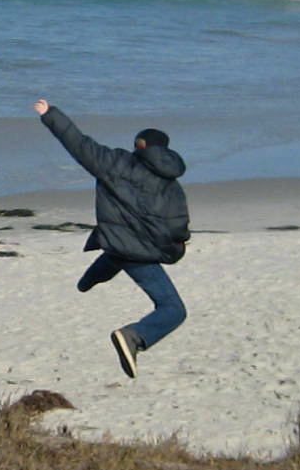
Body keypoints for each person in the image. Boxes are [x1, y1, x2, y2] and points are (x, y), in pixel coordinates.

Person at [33, 98, 189, 379]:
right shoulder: (171, 184)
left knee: (171, 308)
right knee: (170, 305)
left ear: (140, 145)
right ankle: (91, 285)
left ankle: (133, 335)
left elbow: (78, 144)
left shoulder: (115, 163)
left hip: (123, 247)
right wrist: (177, 247)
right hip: (136, 251)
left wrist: (50, 114)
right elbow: (177, 225)